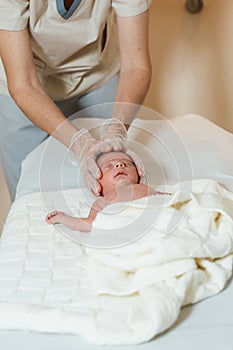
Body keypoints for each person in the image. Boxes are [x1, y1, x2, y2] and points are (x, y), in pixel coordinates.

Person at [0, 0, 152, 200]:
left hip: (97, 77)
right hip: (28, 85)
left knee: (100, 183)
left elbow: (136, 66)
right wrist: (79, 143)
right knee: (31, 195)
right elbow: (23, 84)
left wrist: (116, 128)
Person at [45, 151, 170, 232]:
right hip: (126, 228)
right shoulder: (102, 201)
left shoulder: (146, 189)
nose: (119, 165)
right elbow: (89, 224)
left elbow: (169, 201)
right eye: (108, 166)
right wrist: (62, 218)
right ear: (95, 183)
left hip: (156, 223)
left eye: (127, 164)